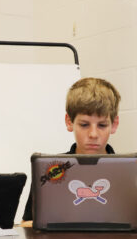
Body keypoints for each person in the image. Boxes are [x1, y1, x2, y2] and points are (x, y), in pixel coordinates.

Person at [21, 77, 120, 223]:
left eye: (102, 125)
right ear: (69, 122)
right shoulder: (50, 170)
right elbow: (27, 223)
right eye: (84, 125)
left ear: (114, 124)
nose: (93, 134)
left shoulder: (131, 172)